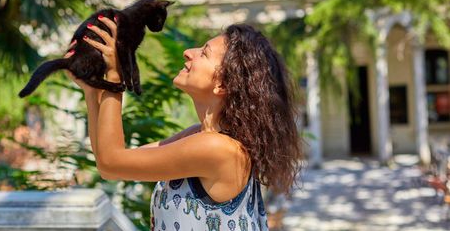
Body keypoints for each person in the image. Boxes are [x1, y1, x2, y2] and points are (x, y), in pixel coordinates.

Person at [64, 15, 303, 230]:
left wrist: (115, 76)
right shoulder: (199, 137)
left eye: (205, 53)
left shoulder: (219, 150)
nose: (189, 52)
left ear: (223, 85)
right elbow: (113, 163)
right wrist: (91, 88)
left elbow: (111, 163)